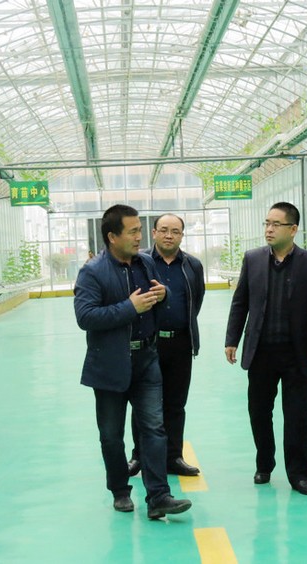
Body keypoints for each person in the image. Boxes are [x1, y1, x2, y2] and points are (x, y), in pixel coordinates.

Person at [74, 204, 192, 519]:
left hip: (146, 360)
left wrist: (163, 295)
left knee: (154, 428)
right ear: (112, 236)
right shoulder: (92, 271)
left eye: (140, 230)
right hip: (110, 364)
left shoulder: (145, 263)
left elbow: (155, 301)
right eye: (133, 231)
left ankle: (159, 496)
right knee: (111, 435)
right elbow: (85, 317)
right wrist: (130, 307)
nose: (140, 237)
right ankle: (120, 491)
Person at [225, 202, 307, 496]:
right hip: (260, 351)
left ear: (293, 229)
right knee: (259, 411)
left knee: (297, 416)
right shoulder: (253, 259)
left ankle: (300, 474)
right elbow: (240, 302)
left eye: (276, 224)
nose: (269, 229)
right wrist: (232, 339)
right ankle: (264, 463)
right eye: (267, 223)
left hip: (296, 352)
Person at [127, 214, 205, 477]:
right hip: (149, 343)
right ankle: (138, 456)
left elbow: (196, 300)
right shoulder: (140, 262)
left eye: (175, 231)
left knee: (175, 403)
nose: (169, 235)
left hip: (181, 343)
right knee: (143, 403)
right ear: (154, 233)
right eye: (163, 230)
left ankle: (173, 457)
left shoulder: (193, 265)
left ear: (182, 235)